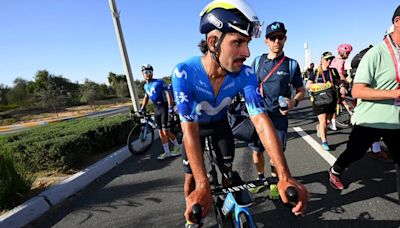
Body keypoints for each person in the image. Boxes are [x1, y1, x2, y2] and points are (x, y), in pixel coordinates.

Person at [171, 0, 309, 224]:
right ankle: (191, 215)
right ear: (213, 42)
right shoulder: (185, 73)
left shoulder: (245, 74)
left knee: (227, 174)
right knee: (191, 179)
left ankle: (229, 204)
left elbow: (261, 120)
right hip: (195, 131)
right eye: (238, 42)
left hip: (219, 126)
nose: (247, 52)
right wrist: (202, 183)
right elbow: (189, 130)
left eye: (247, 43)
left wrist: (284, 175)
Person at [328, 5, 400, 191]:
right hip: (372, 118)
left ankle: (377, 150)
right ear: (397, 22)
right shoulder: (375, 53)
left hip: (396, 120)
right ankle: (335, 170)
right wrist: (395, 94)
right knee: (355, 152)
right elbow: (358, 91)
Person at [249, 21, 305, 186]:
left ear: (285, 38)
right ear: (266, 40)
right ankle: (260, 177)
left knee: (276, 154)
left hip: (279, 118)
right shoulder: (258, 62)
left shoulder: (291, 64)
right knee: (257, 152)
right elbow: (249, 86)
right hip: (258, 116)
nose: (276, 41)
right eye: (272, 38)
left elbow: (301, 89)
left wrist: (293, 101)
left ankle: (275, 183)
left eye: (280, 37)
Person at [140, 64, 181, 160]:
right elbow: (146, 97)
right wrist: (142, 108)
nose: (148, 74)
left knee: (166, 131)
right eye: (146, 72)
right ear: (142, 74)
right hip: (156, 109)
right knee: (160, 132)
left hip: (164, 108)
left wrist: (170, 107)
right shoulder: (146, 86)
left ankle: (178, 147)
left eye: (150, 72)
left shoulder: (159, 82)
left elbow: (168, 94)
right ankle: (167, 152)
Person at [307, 52, 341, 151]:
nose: (329, 61)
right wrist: (322, 85)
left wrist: (343, 85)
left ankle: (319, 127)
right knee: (323, 121)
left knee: (327, 122)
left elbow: (339, 82)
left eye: (331, 59)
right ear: (321, 60)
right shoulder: (316, 72)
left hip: (331, 99)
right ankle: (324, 142)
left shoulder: (333, 71)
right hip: (319, 100)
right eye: (327, 59)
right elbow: (308, 86)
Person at [329, 44, 353, 131]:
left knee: (335, 105)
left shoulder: (333, 60)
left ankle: (333, 125)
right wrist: (346, 81)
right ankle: (355, 119)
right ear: (342, 52)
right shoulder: (341, 61)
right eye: (347, 53)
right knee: (347, 101)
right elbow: (340, 74)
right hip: (339, 85)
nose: (348, 55)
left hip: (332, 86)